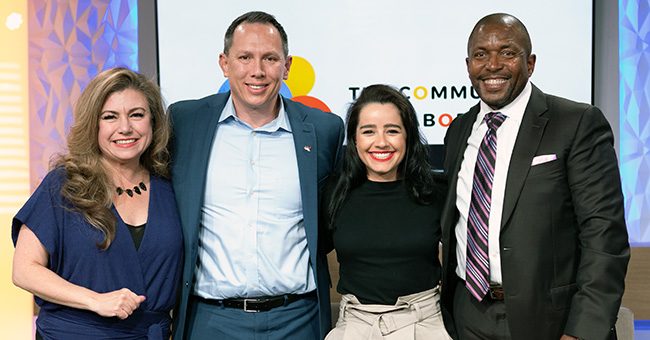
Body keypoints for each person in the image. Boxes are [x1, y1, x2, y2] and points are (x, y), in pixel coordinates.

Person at [440, 13, 630, 340]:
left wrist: (583, 331)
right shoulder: (459, 129)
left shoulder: (577, 122)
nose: (493, 65)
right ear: (468, 64)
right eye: (481, 54)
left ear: (530, 63)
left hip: (551, 321)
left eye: (508, 53)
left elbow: (604, 238)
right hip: (469, 314)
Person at [168, 11, 345, 340]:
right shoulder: (185, 122)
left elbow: (332, 222)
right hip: (209, 321)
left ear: (288, 66)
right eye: (245, 57)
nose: (258, 71)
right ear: (224, 63)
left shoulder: (325, 130)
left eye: (270, 58)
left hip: (298, 320)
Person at [11, 67, 183, 339]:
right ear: (94, 125)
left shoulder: (171, 188)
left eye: (137, 115)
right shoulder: (63, 184)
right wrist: (94, 300)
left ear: (153, 122)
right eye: (110, 117)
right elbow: (24, 270)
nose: (125, 128)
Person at [322, 84, 450, 339]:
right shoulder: (333, 192)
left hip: (425, 323)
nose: (381, 142)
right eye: (368, 131)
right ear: (355, 138)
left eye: (392, 131)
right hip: (354, 324)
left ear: (408, 136)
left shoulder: (437, 191)